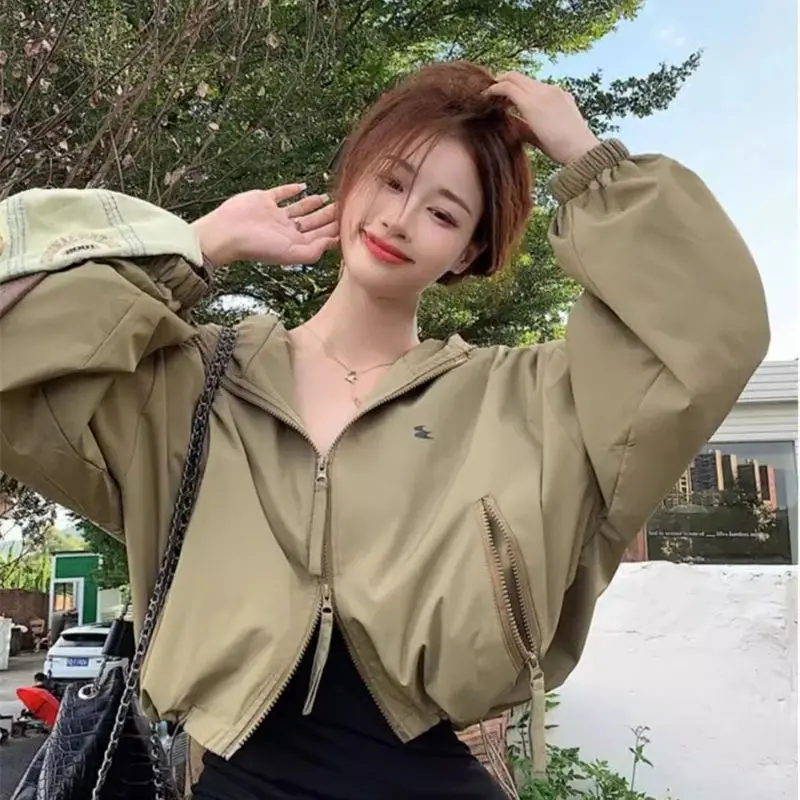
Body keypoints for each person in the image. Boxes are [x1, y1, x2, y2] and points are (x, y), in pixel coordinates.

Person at [0, 62, 768, 800]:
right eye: (394, 181)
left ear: (469, 250)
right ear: (353, 175)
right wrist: (194, 245)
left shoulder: (526, 402)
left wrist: (589, 162)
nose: (401, 219)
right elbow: (18, 342)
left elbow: (709, 335)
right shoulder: (195, 382)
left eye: (443, 213)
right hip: (228, 779)